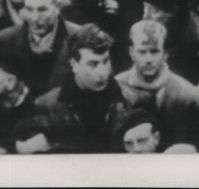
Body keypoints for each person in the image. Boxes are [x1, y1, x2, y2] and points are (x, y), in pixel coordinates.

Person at [115, 19, 199, 149]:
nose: (148, 59)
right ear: (131, 52)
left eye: (154, 51)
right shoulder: (115, 90)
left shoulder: (190, 99)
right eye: (142, 52)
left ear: (165, 54)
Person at [34, 24, 130, 154]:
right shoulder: (46, 106)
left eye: (106, 61)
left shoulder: (131, 99)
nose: (102, 72)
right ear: (74, 64)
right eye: (93, 64)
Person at [0, 0, 83, 98]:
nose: (35, 18)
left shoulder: (78, 38)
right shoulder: (6, 40)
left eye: (42, 10)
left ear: (57, 8)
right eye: (29, 9)